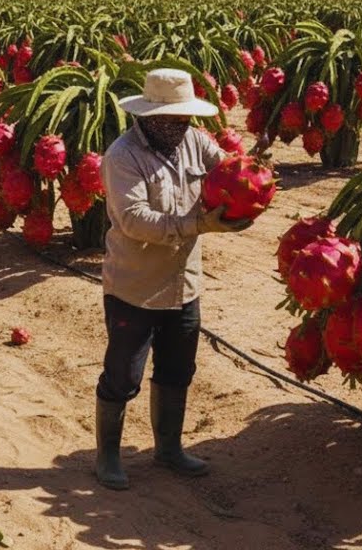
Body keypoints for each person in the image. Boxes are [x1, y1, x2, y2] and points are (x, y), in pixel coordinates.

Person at [94, 68, 252, 491]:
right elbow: (133, 220)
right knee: (123, 375)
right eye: (173, 120)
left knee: (177, 370)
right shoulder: (122, 156)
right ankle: (107, 455)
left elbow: (228, 173)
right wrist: (199, 224)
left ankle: (168, 449)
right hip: (135, 287)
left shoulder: (196, 141)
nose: (182, 126)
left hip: (184, 285)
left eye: (186, 118)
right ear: (148, 117)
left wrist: (251, 185)